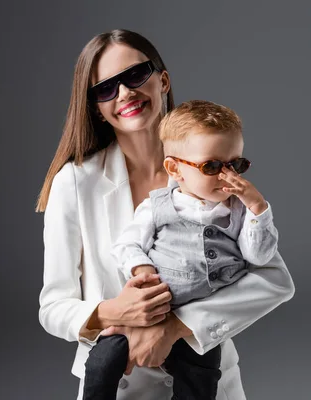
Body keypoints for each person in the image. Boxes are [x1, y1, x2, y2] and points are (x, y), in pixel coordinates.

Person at [37, 29, 295, 400]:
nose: (125, 93)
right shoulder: (76, 182)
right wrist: (115, 311)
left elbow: (273, 277)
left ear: (163, 80)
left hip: (208, 381)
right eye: (106, 88)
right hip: (120, 385)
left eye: (134, 75)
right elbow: (53, 307)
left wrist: (176, 326)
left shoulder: (209, 167)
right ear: (95, 106)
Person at [83, 99, 280, 400]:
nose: (228, 176)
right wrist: (142, 268)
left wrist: (258, 209)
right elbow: (127, 243)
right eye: (212, 166)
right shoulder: (158, 206)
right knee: (103, 361)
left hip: (195, 328)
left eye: (236, 164)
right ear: (175, 168)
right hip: (148, 310)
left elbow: (259, 257)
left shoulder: (241, 212)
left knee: (200, 383)